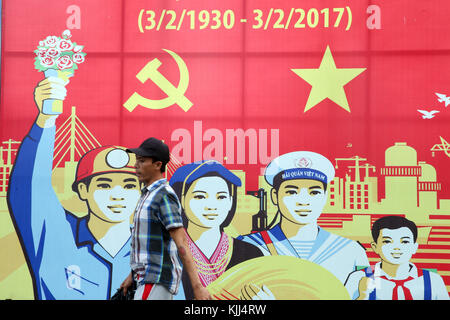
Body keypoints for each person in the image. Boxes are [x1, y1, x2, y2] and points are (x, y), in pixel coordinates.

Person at [8, 76, 141, 299]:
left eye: (129, 186)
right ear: (82, 190)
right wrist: (46, 119)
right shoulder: (56, 234)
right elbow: (28, 188)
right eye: (104, 185)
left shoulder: (153, 249)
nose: (117, 195)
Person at [238, 151, 369, 284]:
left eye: (314, 192)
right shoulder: (248, 246)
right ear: (274, 196)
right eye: (291, 192)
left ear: (325, 196)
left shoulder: (351, 251)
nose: (304, 201)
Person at [120, 138, 211, 300]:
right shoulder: (147, 194)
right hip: (147, 279)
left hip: (156, 279)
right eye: (136, 161)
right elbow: (149, 247)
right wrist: (132, 275)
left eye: (142, 161)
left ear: (158, 165)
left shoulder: (163, 195)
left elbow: (181, 243)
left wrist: (197, 287)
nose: (136, 165)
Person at [169, 160, 264, 299]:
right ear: (182, 200)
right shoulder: (168, 252)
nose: (212, 206)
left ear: (231, 202)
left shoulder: (251, 254)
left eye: (221, 197)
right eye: (200, 196)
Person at [345, 215, 449, 300]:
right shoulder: (358, 277)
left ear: (414, 247)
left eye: (404, 242)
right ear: (375, 247)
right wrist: (363, 296)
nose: (396, 248)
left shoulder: (432, 280)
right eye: (387, 241)